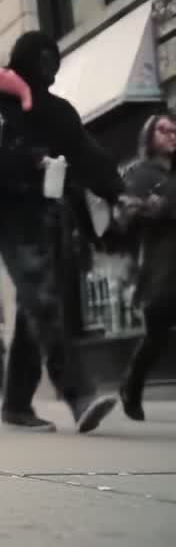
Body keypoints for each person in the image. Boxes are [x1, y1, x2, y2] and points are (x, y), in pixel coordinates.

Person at [0, 30, 124, 433]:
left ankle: (15, 404)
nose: (49, 66)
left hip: (53, 213)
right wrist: (29, 159)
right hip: (10, 215)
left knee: (39, 306)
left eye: (54, 57)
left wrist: (120, 193)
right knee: (42, 299)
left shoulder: (59, 111)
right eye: (42, 58)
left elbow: (88, 156)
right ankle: (77, 392)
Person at [116, 111, 176, 421]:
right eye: (163, 130)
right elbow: (125, 216)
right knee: (157, 336)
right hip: (160, 265)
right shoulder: (140, 174)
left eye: (174, 130)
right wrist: (153, 209)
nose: (171, 135)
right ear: (149, 136)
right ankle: (131, 386)